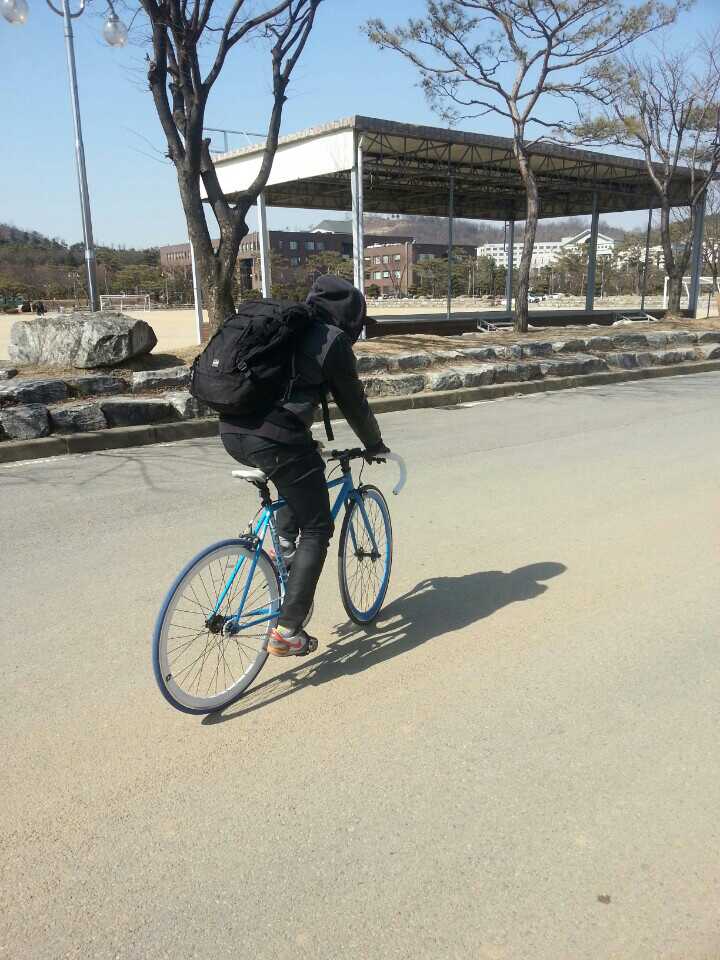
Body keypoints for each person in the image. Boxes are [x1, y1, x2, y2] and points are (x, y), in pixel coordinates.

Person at [219, 276, 388, 658]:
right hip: (275, 439)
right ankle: (287, 630)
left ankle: (283, 546)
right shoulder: (332, 340)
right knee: (318, 527)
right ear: (349, 317)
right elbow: (353, 402)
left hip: (231, 432)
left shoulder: (287, 327)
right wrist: (374, 443)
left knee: (299, 471)